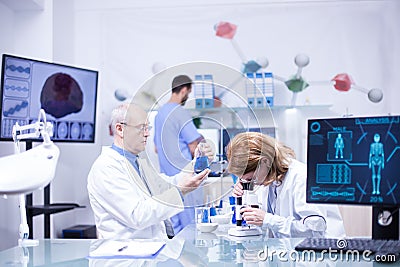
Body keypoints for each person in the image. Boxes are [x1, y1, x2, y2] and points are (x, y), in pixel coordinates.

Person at [87, 103, 211, 240]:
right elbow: (137, 215)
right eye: (141, 128)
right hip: (126, 256)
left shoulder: (138, 162)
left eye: (148, 128)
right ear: (120, 129)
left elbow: (164, 186)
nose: (147, 134)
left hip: (150, 251)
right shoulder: (106, 168)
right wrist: (181, 190)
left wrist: (195, 166)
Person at [228, 132, 346, 238]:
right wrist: (243, 198)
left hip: (320, 255)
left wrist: (268, 220)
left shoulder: (302, 177)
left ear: (265, 161)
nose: (251, 182)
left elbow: (314, 230)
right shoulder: (268, 179)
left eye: (251, 178)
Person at [154, 75, 205, 234]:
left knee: (175, 229)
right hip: (185, 177)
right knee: (192, 228)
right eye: (188, 92)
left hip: (167, 181)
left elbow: (157, 149)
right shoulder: (180, 113)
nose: (187, 96)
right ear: (184, 91)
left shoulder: (159, 114)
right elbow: (194, 147)